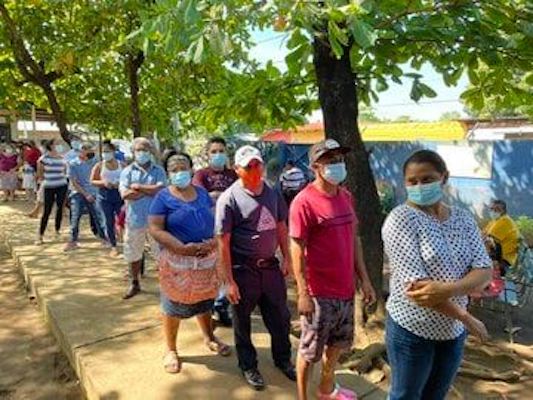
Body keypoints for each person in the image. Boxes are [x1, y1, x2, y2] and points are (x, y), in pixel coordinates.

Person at [382, 150, 492, 400]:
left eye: (427, 179)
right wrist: (466, 316)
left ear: (444, 177)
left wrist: (447, 290)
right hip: (411, 329)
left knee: (436, 395)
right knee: (405, 395)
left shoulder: (463, 219)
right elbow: (418, 290)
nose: (420, 186)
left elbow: (484, 270)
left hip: (453, 332)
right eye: (412, 181)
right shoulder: (400, 220)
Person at [290, 139, 376, 400]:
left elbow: (354, 239)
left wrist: (365, 280)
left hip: (345, 290)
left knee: (337, 346)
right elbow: (296, 247)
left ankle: (326, 390)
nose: (337, 165)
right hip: (319, 295)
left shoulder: (345, 196)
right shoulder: (303, 202)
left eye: (339, 159)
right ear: (316, 166)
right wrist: (303, 292)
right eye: (330, 161)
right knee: (309, 352)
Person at [215, 145, 296, 391]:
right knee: (242, 321)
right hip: (243, 269)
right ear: (237, 170)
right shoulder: (228, 199)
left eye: (258, 164)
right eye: (249, 166)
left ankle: (283, 359)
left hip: (270, 268)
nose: (255, 170)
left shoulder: (272, 192)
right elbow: (223, 242)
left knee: (280, 318)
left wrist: (287, 257)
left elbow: (281, 225)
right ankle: (248, 365)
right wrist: (228, 281)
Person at [148, 153, 231, 374]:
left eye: (182, 167)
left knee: (205, 301)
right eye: (173, 169)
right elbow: (155, 228)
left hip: (205, 260)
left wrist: (213, 242)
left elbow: (216, 222)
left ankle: (209, 337)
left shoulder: (203, 194)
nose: (179, 172)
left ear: (192, 169)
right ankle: (171, 349)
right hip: (177, 262)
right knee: (173, 306)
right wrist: (179, 247)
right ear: (168, 173)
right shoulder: (162, 197)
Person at [193, 136, 238, 327]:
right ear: (207, 154)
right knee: (211, 268)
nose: (218, 155)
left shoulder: (234, 175)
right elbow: (201, 198)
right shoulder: (201, 175)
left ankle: (222, 304)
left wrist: (217, 196)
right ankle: (210, 305)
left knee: (227, 266)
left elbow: (240, 196)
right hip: (209, 228)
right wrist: (220, 197)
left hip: (233, 228)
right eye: (214, 151)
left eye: (221, 151)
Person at [119, 137, 166, 299]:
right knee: (133, 253)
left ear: (150, 151)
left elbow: (160, 191)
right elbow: (125, 194)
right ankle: (135, 283)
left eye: (145, 149)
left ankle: (166, 286)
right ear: (133, 152)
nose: (142, 153)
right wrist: (149, 190)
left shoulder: (159, 170)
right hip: (135, 220)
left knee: (161, 254)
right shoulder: (127, 172)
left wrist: (138, 187)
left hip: (157, 221)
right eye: (139, 150)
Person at [64, 142, 105, 252]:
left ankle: (104, 238)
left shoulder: (94, 162)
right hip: (77, 193)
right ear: (81, 152)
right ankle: (72, 241)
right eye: (87, 151)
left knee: (98, 216)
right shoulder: (73, 164)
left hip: (93, 192)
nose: (89, 153)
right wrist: (86, 194)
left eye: (90, 151)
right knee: (75, 217)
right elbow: (74, 182)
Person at [91, 140, 124, 257]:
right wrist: (103, 182)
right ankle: (113, 246)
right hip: (104, 197)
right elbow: (92, 181)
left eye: (108, 151)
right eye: (104, 152)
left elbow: (127, 179)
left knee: (123, 220)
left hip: (120, 196)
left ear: (114, 151)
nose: (105, 154)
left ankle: (125, 241)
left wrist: (120, 183)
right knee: (108, 221)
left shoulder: (122, 164)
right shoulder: (99, 166)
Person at [36, 139, 69, 244]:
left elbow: (64, 172)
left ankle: (57, 230)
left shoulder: (62, 158)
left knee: (60, 208)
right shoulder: (43, 159)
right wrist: (43, 183)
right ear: (50, 146)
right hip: (49, 186)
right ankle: (40, 235)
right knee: (47, 210)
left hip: (62, 185)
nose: (59, 146)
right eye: (57, 144)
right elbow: (40, 174)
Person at [484, 199, 520, 274]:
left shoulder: (504, 221)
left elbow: (487, 241)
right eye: (491, 209)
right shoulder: (496, 220)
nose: (493, 211)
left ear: (504, 211)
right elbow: (483, 234)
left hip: (503, 262)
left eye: (497, 209)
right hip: (499, 257)